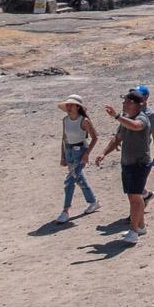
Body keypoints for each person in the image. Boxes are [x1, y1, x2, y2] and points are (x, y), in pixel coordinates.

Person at [93, 88, 153, 244]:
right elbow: (117, 138)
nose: (123, 104)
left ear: (133, 103)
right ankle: (140, 226)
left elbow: (136, 126)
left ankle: (133, 232)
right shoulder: (125, 119)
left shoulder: (142, 118)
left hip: (139, 163)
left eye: (125, 101)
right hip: (127, 163)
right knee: (134, 196)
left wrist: (117, 116)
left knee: (135, 197)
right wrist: (104, 153)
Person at [55, 95, 99, 223]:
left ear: (77, 107)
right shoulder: (65, 120)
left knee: (70, 181)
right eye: (67, 105)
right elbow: (64, 138)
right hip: (69, 151)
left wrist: (87, 154)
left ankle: (65, 211)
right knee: (78, 178)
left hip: (80, 152)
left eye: (71, 105)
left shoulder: (84, 121)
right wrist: (62, 156)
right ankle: (93, 201)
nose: (68, 107)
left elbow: (95, 137)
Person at [135, 83, 154, 201]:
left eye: (139, 96)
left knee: (135, 184)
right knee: (132, 183)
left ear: (146, 98)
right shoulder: (130, 110)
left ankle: (137, 211)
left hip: (142, 153)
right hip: (129, 150)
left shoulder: (151, 115)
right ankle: (146, 195)